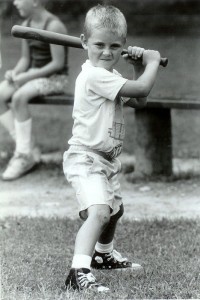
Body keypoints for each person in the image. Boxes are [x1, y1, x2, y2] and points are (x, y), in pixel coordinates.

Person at [63, 4, 161, 292]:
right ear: (84, 42)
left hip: (106, 160)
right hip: (86, 158)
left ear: (124, 46)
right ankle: (78, 270)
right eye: (99, 45)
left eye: (115, 46)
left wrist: (137, 66)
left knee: (115, 211)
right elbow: (141, 89)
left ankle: (103, 255)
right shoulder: (94, 75)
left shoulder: (110, 75)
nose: (106, 52)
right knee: (100, 213)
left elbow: (139, 101)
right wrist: (152, 62)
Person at [0, 0, 69, 180]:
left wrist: (26, 77)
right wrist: (14, 73)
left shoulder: (54, 26)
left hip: (55, 79)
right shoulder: (26, 25)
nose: (15, 3)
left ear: (35, 1)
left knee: (18, 97)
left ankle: (23, 156)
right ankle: (27, 147)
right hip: (33, 75)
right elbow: (25, 59)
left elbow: (57, 64)